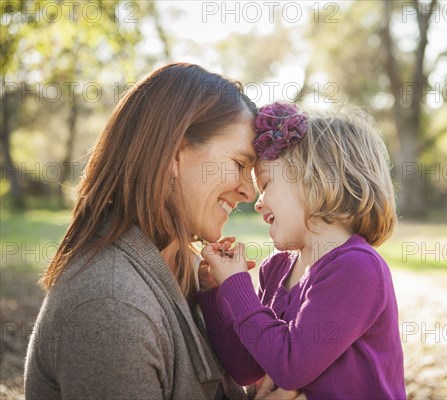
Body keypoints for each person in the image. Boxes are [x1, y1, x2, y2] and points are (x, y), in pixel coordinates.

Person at [24, 63, 294, 399]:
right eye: (239, 165)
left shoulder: (192, 271)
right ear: (173, 154)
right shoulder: (112, 306)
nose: (249, 193)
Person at [197, 102, 407, 399]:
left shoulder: (357, 268)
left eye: (266, 182)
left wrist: (237, 284)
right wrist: (216, 295)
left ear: (317, 180)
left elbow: (290, 366)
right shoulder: (276, 269)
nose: (257, 202)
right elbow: (246, 368)